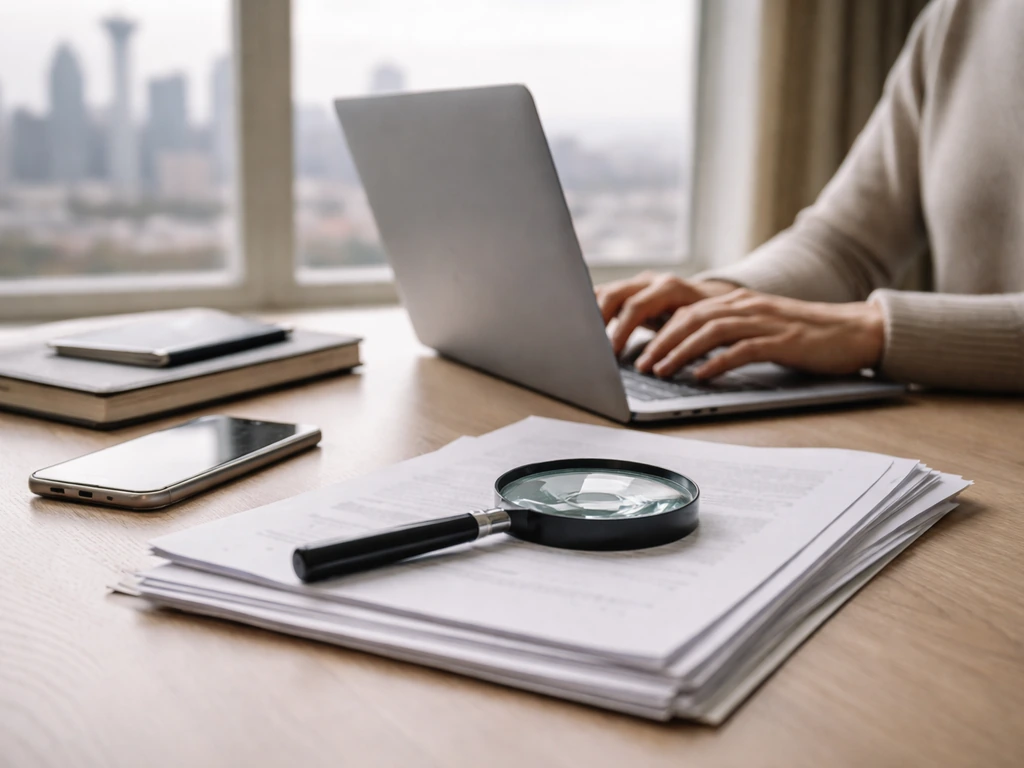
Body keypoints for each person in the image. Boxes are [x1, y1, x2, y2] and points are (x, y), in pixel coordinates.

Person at [596, 0, 1023, 393]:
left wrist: (875, 329)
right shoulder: (963, 15)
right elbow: (844, 245)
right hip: (969, 435)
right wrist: (722, 299)